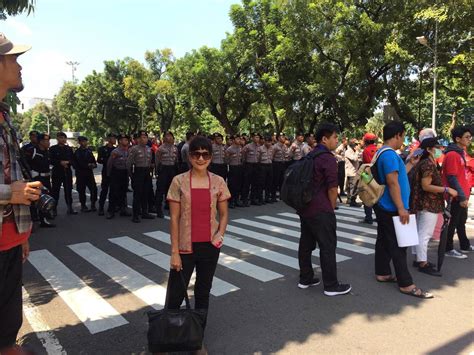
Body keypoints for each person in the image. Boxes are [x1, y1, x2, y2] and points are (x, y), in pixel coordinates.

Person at [166, 136, 230, 354]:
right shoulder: (179, 181)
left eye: (205, 154)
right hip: (184, 247)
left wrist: (219, 236)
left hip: (209, 247)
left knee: (203, 292)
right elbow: (174, 219)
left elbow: (223, 214)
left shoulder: (219, 182)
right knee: (175, 294)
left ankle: (196, 340)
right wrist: (174, 252)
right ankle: (165, 340)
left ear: (211, 157)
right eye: (196, 154)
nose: (200, 158)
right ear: (189, 156)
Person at [0, 32, 43, 354]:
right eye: (13, 58)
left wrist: (21, 231)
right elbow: (8, 188)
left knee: (7, 327)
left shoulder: (4, 116)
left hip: (10, 239)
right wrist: (7, 194)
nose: (20, 66)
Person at [374, 121, 433, 299]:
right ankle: (406, 284)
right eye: (403, 136)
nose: (403, 140)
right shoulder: (390, 155)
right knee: (399, 245)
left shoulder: (382, 152)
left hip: (384, 205)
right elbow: (392, 183)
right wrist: (401, 208)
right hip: (392, 207)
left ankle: (383, 272)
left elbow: (396, 177)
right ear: (398, 135)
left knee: (384, 240)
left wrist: (410, 164)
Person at [297, 123, 351, 296]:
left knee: (306, 243)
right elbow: (332, 188)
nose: (337, 140)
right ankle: (331, 285)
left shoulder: (310, 154)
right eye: (334, 137)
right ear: (324, 139)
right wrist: (331, 207)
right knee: (327, 245)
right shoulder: (327, 158)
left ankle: (305, 278)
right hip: (321, 209)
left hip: (306, 207)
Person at [410, 137, 458, 276]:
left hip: (423, 203)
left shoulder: (425, 162)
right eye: (437, 147)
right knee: (424, 235)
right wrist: (446, 190)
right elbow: (426, 186)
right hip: (428, 204)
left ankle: (419, 259)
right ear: (429, 149)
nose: (440, 149)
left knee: (420, 233)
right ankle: (422, 263)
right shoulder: (428, 164)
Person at [442, 126, 473, 257]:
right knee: (453, 222)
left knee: (461, 221)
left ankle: (464, 245)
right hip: (456, 196)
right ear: (458, 139)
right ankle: (448, 248)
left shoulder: (459, 153)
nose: (469, 139)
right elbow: (452, 177)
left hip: (461, 194)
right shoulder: (453, 155)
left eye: (470, 137)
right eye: (467, 137)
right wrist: (461, 196)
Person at [27, 133, 55, 228]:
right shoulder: (32, 150)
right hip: (36, 179)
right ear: (40, 142)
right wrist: (29, 174)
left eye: (48, 140)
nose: (48, 143)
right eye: (46, 141)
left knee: (45, 199)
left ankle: (43, 220)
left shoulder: (47, 152)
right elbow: (24, 164)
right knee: (34, 199)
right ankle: (34, 220)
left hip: (46, 178)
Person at [127, 130, 155, 223]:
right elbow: (129, 163)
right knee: (137, 194)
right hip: (138, 171)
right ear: (138, 139)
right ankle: (135, 215)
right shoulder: (134, 149)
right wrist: (131, 175)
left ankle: (145, 212)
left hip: (146, 172)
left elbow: (150, 161)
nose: (145, 139)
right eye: (142, 137)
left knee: (146, 193)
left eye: (146, 137)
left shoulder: (149, 149)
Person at [50, 131, 77, 215]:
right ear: (57, 138)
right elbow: (50, 160)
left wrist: (68, 162)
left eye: (64, 138)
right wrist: (60, 162)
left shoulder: (69, 149)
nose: (63, 139)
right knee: (55, 191)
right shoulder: (53, 149)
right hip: (57, 172)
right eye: (61, 137)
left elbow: (73, 159)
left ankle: (70, 208)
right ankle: (54, 209)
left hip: (67, 171)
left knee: (68, 190)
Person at [106, 134, 131, 219]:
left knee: (123, 192)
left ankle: (123, 210)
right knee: (113, 193)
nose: (126, 141)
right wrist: (108, 174)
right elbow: (109, 163)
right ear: (120, 141)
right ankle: (111, 211)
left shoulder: (128, 151)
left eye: (127, 140)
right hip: (116, 173)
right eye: (125, 140)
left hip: (124, 173)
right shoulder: (115, 151)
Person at [155, 131, 179, 218]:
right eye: (167, 136)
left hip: (172, 169)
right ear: (164, 138)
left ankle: (170, 207)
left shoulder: (175, 148)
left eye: (170, 136)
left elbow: (176, 160)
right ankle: (158, 209)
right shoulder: (160, 149)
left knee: (171, 189)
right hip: (163, 169)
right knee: (160, 189)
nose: (169, 138)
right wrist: (157, 171)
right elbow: (157, 161)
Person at [72, 136, 98, 212]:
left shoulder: (89, 151)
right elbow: (77, 164)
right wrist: (88, 165)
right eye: (83, 141)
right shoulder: (77, 152)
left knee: (94, 189)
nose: (85, 143)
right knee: (82, 190)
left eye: (85, 141)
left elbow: (94, 161)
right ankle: (83, 206)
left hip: (89, 174)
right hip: (81, 174)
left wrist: (94, 165)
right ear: (79, 142)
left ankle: (93, 204)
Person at [97, 133, 116, 216]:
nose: (114, 140)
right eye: (113, 138)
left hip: (114, 171)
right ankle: (101, 207)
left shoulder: (116, 149)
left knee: (113, 191)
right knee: (104, 190)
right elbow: (99, 160)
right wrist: (109, 160)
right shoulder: (102, 149)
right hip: (106, 171)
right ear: (109, 139)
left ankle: (111, 208)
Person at [361, 133, 378, 224]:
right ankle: (378, 216)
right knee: (376, 195)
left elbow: (365, 164)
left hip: (367, 175)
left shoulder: (365, 150)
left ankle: (368, 217)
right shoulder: (377, 150)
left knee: (366, 195)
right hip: (376, 175)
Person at [241, 133, 260, 206]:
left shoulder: (259, 146)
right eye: (255, 137)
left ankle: (253, 199)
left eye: (258, 137)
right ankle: (244, 199)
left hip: (256, 165)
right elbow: (243, 155)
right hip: (249, 165)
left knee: (255, 183)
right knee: (247, 183)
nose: (257, 139)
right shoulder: (247, 146)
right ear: (252, 138)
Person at [225, 134, 243, 208]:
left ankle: (236, 199)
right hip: (232, 167)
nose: (239, 140)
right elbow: (226, 160)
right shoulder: (229, 149)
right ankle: (231, 201)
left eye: (239, 139)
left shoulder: (241, 148)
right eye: (237, 139)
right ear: (233, 140)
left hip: (239, 167)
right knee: (232, 185)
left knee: (239, 184)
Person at [344, 138, 361, 207]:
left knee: (352, 187)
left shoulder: (353, 151)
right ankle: (352, 201)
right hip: (351, 172)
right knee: (353, 188)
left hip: (354, 172)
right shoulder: (348, 152)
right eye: (356, 144)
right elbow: (354, 159)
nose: (357, 145)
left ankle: (349, 200)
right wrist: (357, 151)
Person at [257, 136, 274, 204]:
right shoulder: (260, 148)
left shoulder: (272, 148)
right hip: (262, 166)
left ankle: (267, 198)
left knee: (269, 182)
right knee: (261, 183)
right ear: (265, 141)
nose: (268, 143)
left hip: (269, 165)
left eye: (270, 142)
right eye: (267, 142)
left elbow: (273, 156)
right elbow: (258, 158)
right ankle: (260, 198)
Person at [272, 133, 288, 202]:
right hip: (276, 164)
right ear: (278, 138)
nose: (283, 138)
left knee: (282, 180)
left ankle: (282, 195)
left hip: (283, 164)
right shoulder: (275, 146)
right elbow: (272, 156)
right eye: (282, 137)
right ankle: (273, 196)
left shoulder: (284, 146)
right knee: (275, 180)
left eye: (284, 137)